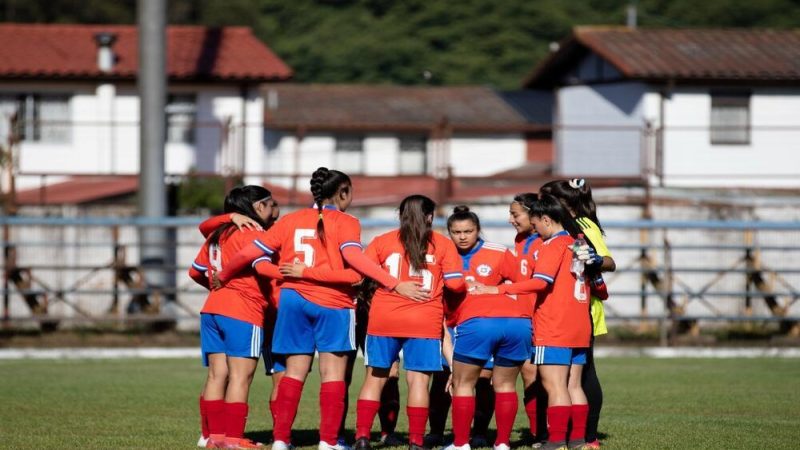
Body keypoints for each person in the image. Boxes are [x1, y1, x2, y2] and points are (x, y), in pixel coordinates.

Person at [215, 168, 427, 450]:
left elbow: (247, 254)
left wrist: (224, 275)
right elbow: (352, 260)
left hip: (292, 302)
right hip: (333, 303)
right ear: (343, 192)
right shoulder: (346, 221)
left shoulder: (290, 220)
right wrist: (393, 282)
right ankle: (328, 441)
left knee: (294, 372)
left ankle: (280, 440)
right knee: (333, 374)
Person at [474, 194, 591, 450]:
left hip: (554, 323)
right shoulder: (576, 244)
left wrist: (498, 290)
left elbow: (541, 281)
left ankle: (557, 440)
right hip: (579, 322)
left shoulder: (552, 245)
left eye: (536, 224)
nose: (535, 230)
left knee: (554, 384)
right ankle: (579, 440)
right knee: (573, 384)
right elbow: (597, 286)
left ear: (546, 220)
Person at [354, 195, 466, 450]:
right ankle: (416, 441)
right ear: (429, 217)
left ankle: (362, 437)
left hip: (384, 317)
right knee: (418, 381)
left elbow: (360, 272)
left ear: (401, 215)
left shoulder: (382, 241)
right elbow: (456, 284)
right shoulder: (443, 245)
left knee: (375, 378)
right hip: (424, 319)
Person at [189, 185, 278, 449]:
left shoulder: (217, 235)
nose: (275, 210)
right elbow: (260, 266)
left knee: (218, 375)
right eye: (271, 204)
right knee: (241, 377)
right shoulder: (252, 233)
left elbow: (195, 272)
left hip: (212, 309)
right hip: (242, 310)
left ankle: (213, 437)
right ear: (258, 207)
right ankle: (234, 439)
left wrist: (219, 286)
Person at [443, 206, 532, 450]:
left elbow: (522, 284)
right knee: (504, 385)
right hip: (517, 323)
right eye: (456, 232)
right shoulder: (444, 251)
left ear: (478, 230)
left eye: (468, 231)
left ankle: (460, 444)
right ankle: (502, 443)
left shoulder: (498, 252)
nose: (462, 236)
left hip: (476, 322)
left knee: (462, 384)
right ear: (449, 232)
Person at [540, 179, 615, 450]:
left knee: (581, 376)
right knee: (565, 378)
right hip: (563, 311)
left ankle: (588, 436)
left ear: (563, 202)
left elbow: (609, 261)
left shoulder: (583, 226)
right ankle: (567, 435)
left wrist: (594, 259)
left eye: (544, 199)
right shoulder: (552, 227)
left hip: (583, 310)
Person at [508, 192, 549, 445]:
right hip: (519, 316)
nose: (511, 219)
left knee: (537, 375)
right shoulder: (521, 239)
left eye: (515, 214)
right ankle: (537, 431)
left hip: (539, 316)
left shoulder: (544, 241)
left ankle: (545, 432)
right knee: (525, 373)